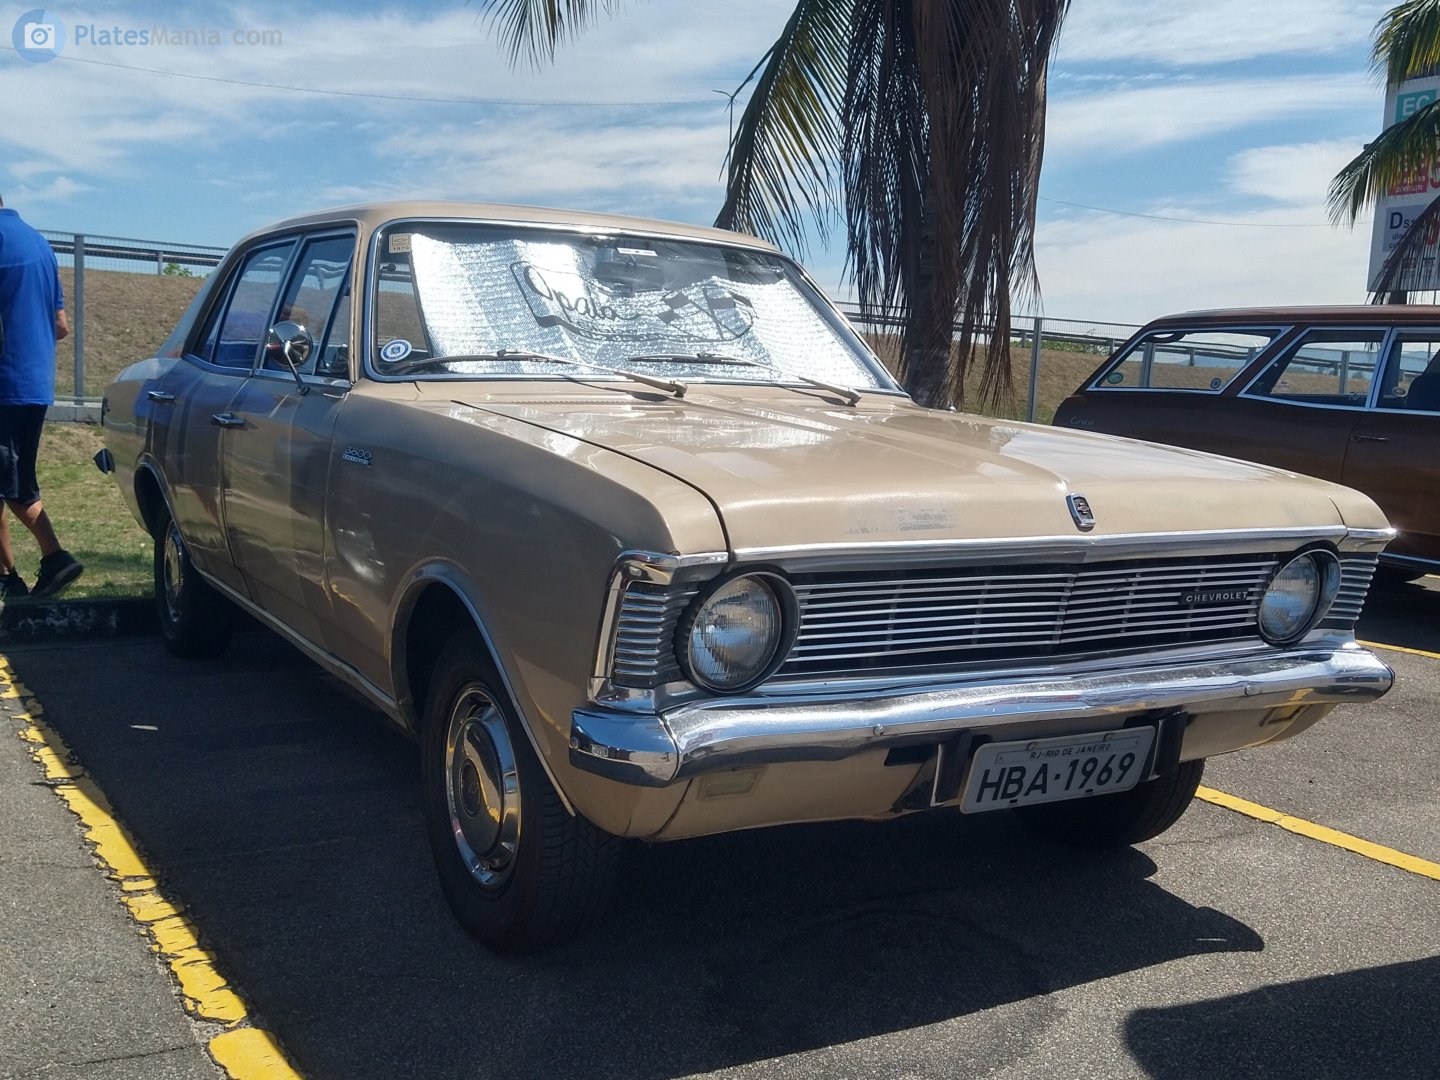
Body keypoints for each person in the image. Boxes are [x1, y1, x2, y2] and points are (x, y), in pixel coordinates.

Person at [0, 194, 83, 601]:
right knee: (10, 480)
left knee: (14, 485)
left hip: (4, 382)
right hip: (32, 384)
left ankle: (54, 556)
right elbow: (61, 325)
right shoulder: (38, 243)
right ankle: (10, 579)